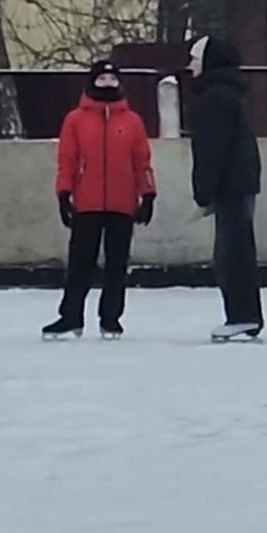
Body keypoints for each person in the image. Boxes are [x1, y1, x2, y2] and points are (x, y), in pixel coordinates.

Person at [43, 60, 156, 340]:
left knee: (117, 265)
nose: (107, 83)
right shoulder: (76, 120)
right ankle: (70, 317)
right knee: (81, 263)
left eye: (112, 79)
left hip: (122, 203)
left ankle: (111, 319)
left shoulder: (132, 121)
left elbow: (142, 161)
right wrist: (63, 193)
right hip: (87, 203)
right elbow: (67, 159)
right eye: (102, 79)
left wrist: (148, 193)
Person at [188, 35, 264, 340]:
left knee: (232, 254)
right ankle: (244, 314)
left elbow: (211, 149)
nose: (190, 65)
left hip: (230, 186)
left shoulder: (214, 99)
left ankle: (241, 315)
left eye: (194, 58)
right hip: (240, 182)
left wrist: (203, 192)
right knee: (238, 250)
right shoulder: (229, 95)